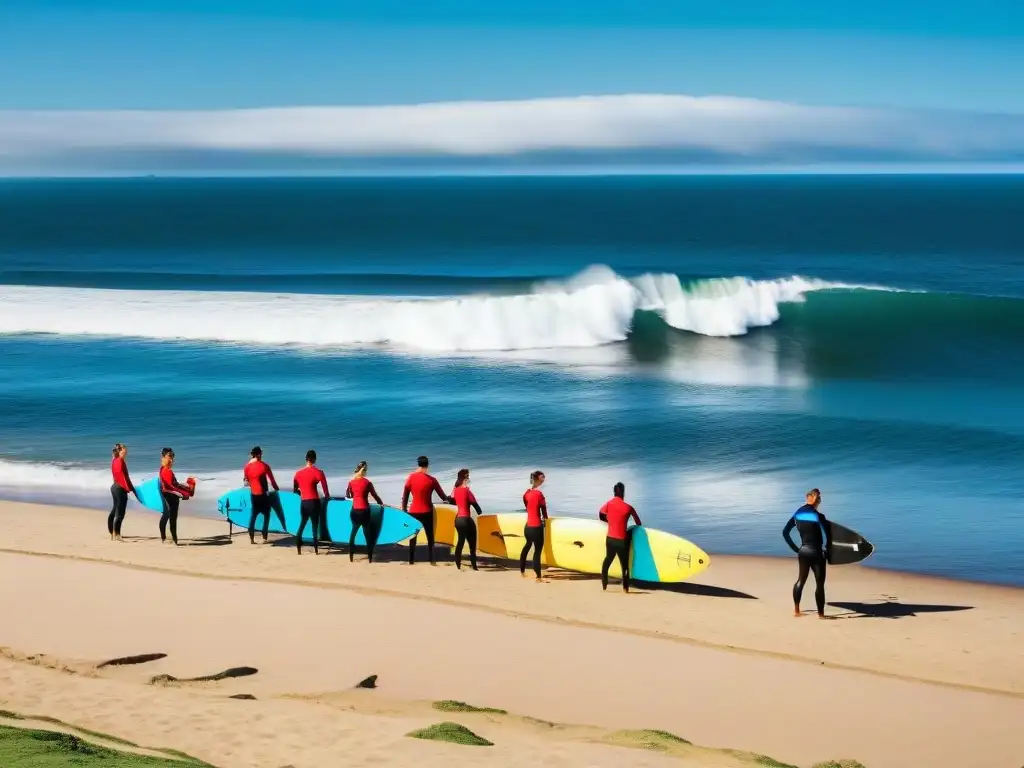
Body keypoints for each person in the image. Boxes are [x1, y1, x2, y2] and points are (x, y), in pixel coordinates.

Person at [782, 488, 832, 619]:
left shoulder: (797, 514)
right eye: (819, 498)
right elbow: (829, 535)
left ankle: (797, 611)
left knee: (800, 581)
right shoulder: (818, 516)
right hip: (817, 553)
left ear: (807, 498)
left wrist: (796, 549)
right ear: (816, 500)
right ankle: (821, 615)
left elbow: (785, 532)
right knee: (819, 584)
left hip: (803, 552)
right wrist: (828, 551)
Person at [401, 455, 451, 565]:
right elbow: (443, 496)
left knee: (413, 536)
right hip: (427, 511)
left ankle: (411, 560)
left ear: (418, 465)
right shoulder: (432, 480)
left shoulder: (410, 477)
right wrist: (450, 500)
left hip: (413, 511)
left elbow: (405, 496)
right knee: (430, 536)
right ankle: (432, 560)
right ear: (427, 466)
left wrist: (404, 508)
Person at [599, 482, 642, 593]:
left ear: (614, 492)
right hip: (622, 541)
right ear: (623, 492)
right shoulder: (628, 507)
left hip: (610, 539)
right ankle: (625, 589)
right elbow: (638, 523)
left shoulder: (608, 504)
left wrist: (609, 521)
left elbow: (600, 514)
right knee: (624, 566)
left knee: (607, 561)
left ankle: (604, 586)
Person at [345, 461, 384, 563]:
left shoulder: (351, 482)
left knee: (353, 533)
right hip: (365, 512)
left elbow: (349, 496)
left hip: (354, 512)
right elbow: (375, 496)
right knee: (368, 535)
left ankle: (351, 557)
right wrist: (381, 504)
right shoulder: (367, 483)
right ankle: (370, 558)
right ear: (365, 471)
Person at [292, 449, 329, 556]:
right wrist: (327, 499)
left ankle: (298, 549)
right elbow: (326, 491)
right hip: (314, 502)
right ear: (315, 459)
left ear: (306, 459)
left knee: (302, 525)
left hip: (304, 503)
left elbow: (295, 490)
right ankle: (316, 550)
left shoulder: (298, 473)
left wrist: (302, 492)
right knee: (314, 526)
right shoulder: (319, 472)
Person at [243, 446, 279, 545]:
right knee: (267, 515)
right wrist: (277, 490)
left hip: (254, 495)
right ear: (259, 454)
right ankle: (264, 537)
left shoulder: (247, 467)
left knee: (253, 516)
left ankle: (251, 539)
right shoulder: (264, 466)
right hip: (264, 496)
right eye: (261, 454)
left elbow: (245, 482)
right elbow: (272, 480)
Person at [158, 448, 192, 545]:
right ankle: (174, 540)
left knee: (166, 516)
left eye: (172, 457)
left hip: (167, 496)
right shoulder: (167, 471)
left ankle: (164, 538)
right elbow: (173, 487)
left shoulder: (162, 469)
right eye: (169, 457)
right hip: (171, 497)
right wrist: (184, 493)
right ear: (163, 457)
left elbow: (173, 484)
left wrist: (184, 486)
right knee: (172, 518)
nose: (172, 460)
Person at [451, 468, 483, 571]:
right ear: (465, 478)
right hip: (466, 519)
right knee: (472, 545)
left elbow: (452, 502)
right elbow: (478, 509)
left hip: (458, 520)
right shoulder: (467, 491)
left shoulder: (455, 491)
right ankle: (474, 567)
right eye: (468, 477)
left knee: (460, 542)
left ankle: (458, 566)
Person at [107, 443, 140, 541]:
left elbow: (116, 476)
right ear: (120, 451)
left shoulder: (114, 460)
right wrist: (130, 489)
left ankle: (112, 532)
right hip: (120, 488)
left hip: (114, 487)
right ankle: (117, 534)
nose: (126, 451)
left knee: (115, 510)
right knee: (120, 512)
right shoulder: (120, 461)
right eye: (124, 450)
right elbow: (124, 477)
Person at [520, 470, 549, 582]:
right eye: (542, 477)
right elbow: (544, 511)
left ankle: (522, 571)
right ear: (537, 479)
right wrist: (546, 521)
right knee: (537, 551)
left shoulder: (526, 494)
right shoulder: (539, 494)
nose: (544, 479)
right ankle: (538, 577)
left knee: (527, 546)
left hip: (528, 526)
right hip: (536, 526)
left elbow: (528, 507)